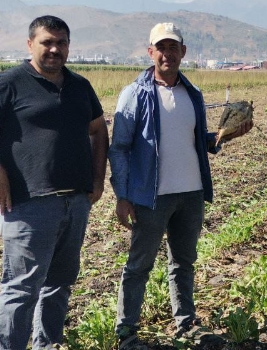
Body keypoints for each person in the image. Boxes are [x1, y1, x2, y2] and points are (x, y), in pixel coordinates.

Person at [108, 22, 252, 349]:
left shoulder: (192, 94)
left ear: (183, 52)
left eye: (173, 47)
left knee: (183, 261)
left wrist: (224, 136)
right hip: (151, 196)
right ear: (151, 52)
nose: (167, 53)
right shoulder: (135, 94)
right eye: (161, 47)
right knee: (139, 265)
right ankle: (126, 333)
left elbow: (195, 142)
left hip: (191, 193)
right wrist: (123, 195)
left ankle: (185, 324)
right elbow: (119, 148)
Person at [0, 15, 109, 349]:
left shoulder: (80, 86)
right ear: (30, 44)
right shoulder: (10, 83)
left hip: (75, 202)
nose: (54, 49)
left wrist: (98, 178)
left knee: (59, 283)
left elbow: (98, 129)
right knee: (21, 288)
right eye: (47, 42)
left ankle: (47, 344)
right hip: (28, 204)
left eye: (61, 42)